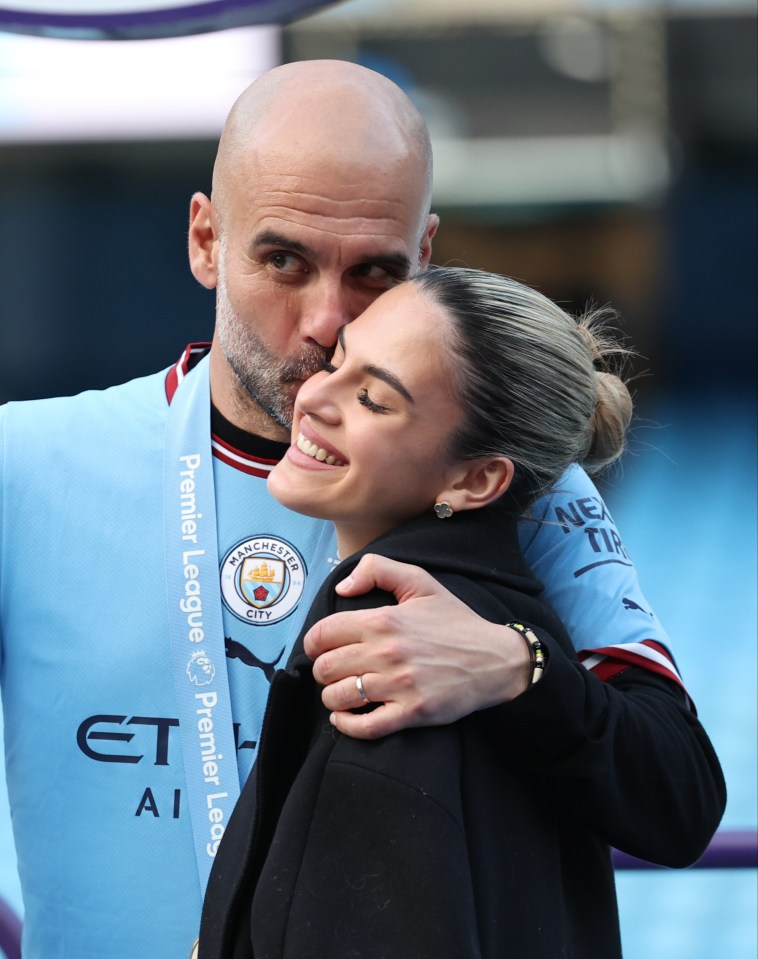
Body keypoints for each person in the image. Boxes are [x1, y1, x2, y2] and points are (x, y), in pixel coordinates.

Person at [0, 60, 691, 958]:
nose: (327, 319)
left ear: (425, 256)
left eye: (373, 271)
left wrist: (515, 668)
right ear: (206, 239)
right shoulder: (26, 463)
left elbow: (677, 798)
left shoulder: (516, 478)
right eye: (283, 259)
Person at [198, 268, 725, 958]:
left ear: (477, 481)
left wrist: (519, 665)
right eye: (338, 359)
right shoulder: (483, 590)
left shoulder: (387, 651)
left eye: (374, 400)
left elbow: (680, 791)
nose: (313, 393)